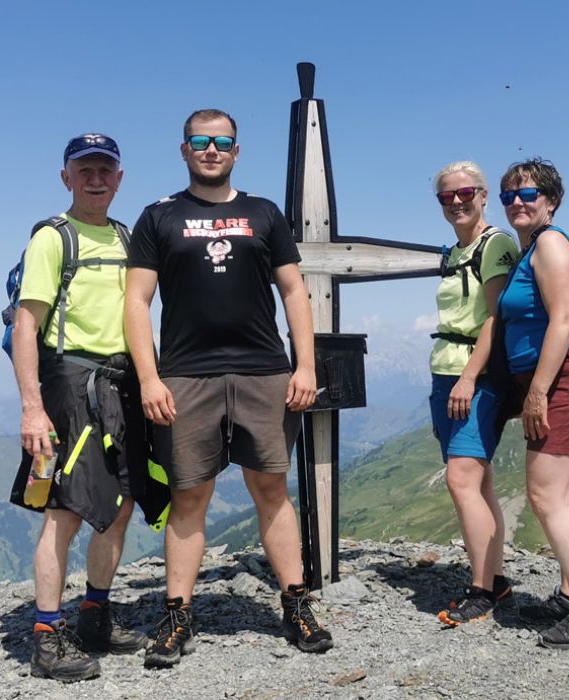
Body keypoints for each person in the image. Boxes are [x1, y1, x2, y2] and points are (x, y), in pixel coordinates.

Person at [124, 108, 333, 669]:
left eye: (222, 141)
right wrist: (149, 377)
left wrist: (305, 365)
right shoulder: (158, 217)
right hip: (185, 376)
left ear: (236, 151)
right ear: (184, 149)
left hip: (264, 369)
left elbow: (294, 292)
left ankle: (295, 604)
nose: (211, 149)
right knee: (189, 495)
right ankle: (177, 614)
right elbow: (137, 303)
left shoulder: (264, 214)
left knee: (271, 488)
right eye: (201, 140)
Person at [9, 133, 146, 682]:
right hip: (71, 384)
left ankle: (94, 613)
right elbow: (26, 325)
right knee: (63, 511)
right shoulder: (53, 238)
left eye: (104, 170)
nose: (95, 179)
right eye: (83, 170)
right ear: (66, 177)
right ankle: (46, 636)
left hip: (122, 381)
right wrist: (31, 409)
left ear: (118, 178)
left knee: (121, 503)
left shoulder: (125, 236)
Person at [495, 157, 569, 649]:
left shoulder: (550, 243)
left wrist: (539, 391)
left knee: (545, 494)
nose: (518, 203)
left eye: (528, 195)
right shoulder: (533, 249)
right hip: (565, 375)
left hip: (567, 376)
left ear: (551, 201)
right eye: (509, 196)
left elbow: (563, 322)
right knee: (566, 495)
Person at [424, 161, 521, 627]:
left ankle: (481, 589)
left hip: (473, 378)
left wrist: (468, 377)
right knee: (477, 482)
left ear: (482, 195)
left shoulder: (495, 244)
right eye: (447, 196)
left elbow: (495, 316)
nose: (457, 202)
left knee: (460, 481)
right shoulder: (455, 250)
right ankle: (495, 577)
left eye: (466, 193)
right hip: (447, 374)